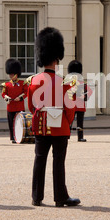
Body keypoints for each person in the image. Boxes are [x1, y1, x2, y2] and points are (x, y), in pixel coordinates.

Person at [27, 27, 80, 207]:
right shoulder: (63, 82)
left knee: (39, 160)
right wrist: (68, 122)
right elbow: (70, 108)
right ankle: (60, 197)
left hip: (40, 125)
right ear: (57, 58)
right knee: (59, 162)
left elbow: (31, 106)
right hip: (59, 127)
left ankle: (36, 197)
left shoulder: (33, 81)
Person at [2, 58, 28, 143]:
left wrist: (20, 98)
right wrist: (6, 98)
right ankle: (12, 137)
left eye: (12, 74)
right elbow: (3, 94)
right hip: (11, 106)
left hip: (19, 106)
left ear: (16, 74)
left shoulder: (22, 83)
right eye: (10, 74)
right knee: (11, 123)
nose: (10, 76)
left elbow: (26, 92)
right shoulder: (6, 84)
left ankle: (20, 136)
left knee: (20, 123)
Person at [66, 60, 93, 142]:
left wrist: (84, 96)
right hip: (72, 105)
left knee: (79, 123)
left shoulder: (82, 83)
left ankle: (80, 137)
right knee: (69, 122)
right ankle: (67, 135)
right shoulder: (69, 83)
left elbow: (89, 91)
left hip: (79, 105)